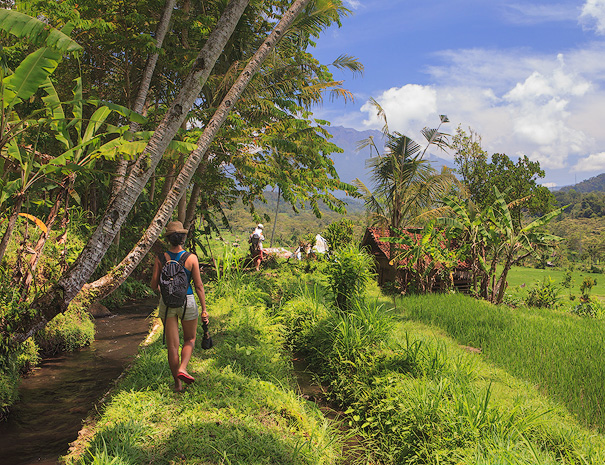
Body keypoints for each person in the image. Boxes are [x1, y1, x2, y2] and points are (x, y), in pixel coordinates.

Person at [151, 221, 209, 392]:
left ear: (168, 239)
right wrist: (204, 309)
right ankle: (183, 367)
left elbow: (154, 285)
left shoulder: (160, 258)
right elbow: (198, 285)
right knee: (190, 339)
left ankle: (177, 384)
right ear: (183, 238)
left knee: (172, 347)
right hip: (187, 301)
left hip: (167, 304)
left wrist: (164, 287)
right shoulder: (191, 258)